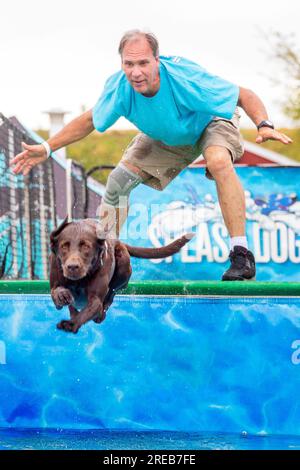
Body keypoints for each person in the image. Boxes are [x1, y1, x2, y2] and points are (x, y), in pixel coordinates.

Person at [11, 29, 292, 281]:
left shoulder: (184, 77)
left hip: (211, 122)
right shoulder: (120, 88)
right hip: (167, 135)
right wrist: (47, 148)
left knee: (218, 160)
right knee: (118, 183)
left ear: (157, 60)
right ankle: (105, 256)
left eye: (143, 63)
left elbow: (245, 94)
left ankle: (240, 253)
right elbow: (88, 120)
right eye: (129, 64)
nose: (135, 72)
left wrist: (264, 124)